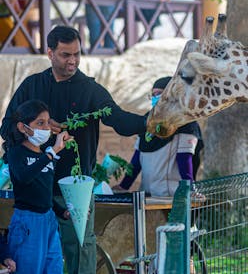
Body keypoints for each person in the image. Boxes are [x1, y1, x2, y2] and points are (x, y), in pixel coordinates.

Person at [0, 25, 147, 274]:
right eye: (66, 55)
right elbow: (7, 128)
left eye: (77, 54)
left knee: (79, 247)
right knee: (31, 258)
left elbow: (119, 120)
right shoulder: (32, 86)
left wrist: (149, 123)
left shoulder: (90, 90)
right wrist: (33, 137)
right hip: (34, 191)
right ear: (50, 53)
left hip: (74, 189)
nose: (73, 60)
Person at [1, 99, 72, 274]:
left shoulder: (44, 155)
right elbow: (24, 177)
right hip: (28, 222)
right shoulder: (16, 153)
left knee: (54, 268)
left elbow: (43, 193)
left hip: (48, 220)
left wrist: (62, 211)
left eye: (48, 122)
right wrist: (51, 153)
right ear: (23, 127)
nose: (46, 128)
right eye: (40, 123)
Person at [113, 76, 204, 197]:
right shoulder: (147, 121)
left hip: (171, 196)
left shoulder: (184, 122)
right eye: (153, 94)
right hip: (147, 194)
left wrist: (190, 189)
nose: (155, 97)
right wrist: (124, 186)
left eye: (159, 93)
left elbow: (184, 158)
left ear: (172, 94)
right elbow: (137, 159)